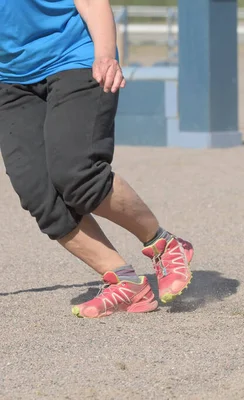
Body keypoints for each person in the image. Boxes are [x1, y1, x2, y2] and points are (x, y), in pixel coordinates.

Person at [0, 0, 194, 318]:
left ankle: (164, 244)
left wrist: (105, 53)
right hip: (9, 82)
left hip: (74, 59)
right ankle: (124, 282)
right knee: (38, 193)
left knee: (77, 174)